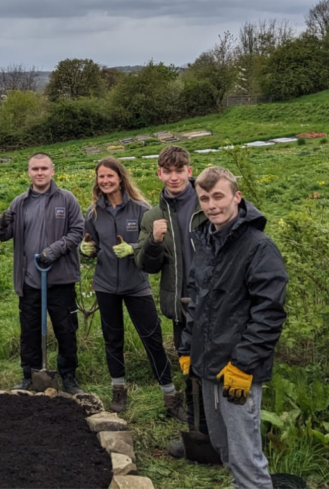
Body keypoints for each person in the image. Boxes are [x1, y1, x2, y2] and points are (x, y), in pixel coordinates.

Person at [179, 166, 288, 488]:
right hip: (208, 365)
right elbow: (197, 302)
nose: (212, 205)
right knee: (224, 449)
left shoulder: (258, 247)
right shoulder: (208, 243)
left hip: (237, 368)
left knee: (245, 459)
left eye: (218, 197)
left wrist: (243, 364)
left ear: (237, 197)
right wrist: (187, 347)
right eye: (205, 199)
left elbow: (269, 311)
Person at [81, 157, 187, 418]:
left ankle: (170, 395)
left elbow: (157, 243)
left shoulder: (141, 209)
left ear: (120, 178)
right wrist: (83, 251)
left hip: (137, 285)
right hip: (105, 285)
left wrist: (134, 248)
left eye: (110, 176)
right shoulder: (93, 212)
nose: (105, 181)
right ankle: (118, 390)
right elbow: (89, 247)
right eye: (101, 177)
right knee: (112, 339)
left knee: (152, 339)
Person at [136, 145, 207, 457]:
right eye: (168, 171)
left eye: (180, 170)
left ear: (189, 171)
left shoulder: (207, 203)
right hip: (182, 307)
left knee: (219, 370)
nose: (174, 177)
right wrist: (154, 241)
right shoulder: (153, 215)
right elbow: (145, 265)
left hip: (216, 304)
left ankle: (224, 433)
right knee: (190, 372)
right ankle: (197, 436)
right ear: (159, 173)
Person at [0, 152, 85, 394]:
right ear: (29, 172)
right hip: (30, 280)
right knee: (30, 330)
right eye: (35, 169)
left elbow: (78, 231)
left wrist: (54, 250)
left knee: (66, 329)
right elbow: (3, 235)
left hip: (61, 279)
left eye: (44, 168)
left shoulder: (67, 200)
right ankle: (29, 374)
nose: (40, 173)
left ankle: (68, 376)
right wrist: (1, 223)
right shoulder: (19, 202)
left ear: (53, 171)